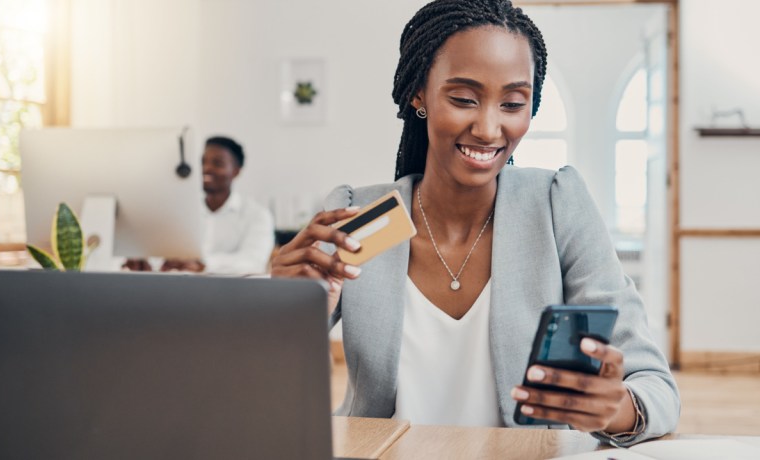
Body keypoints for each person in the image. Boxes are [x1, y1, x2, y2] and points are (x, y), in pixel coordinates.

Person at [271, 0, 679, 446]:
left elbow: (657, 389)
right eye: (464, 99)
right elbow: (265, 379)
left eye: (512, 103)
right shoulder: (361, 217)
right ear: (419, 93)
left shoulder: (556, 207)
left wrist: (617, 407)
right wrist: (277, 308)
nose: (488, 128)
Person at [124, 136, 275, 275]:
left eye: (218, 163)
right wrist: (147, 262)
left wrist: (202, 264)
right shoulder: (181, 210)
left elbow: (253, 263)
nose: (206, 168)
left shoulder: (257, 215)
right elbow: (162, 252)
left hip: (230, 295)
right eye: (203, 162)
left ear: (236, 171)